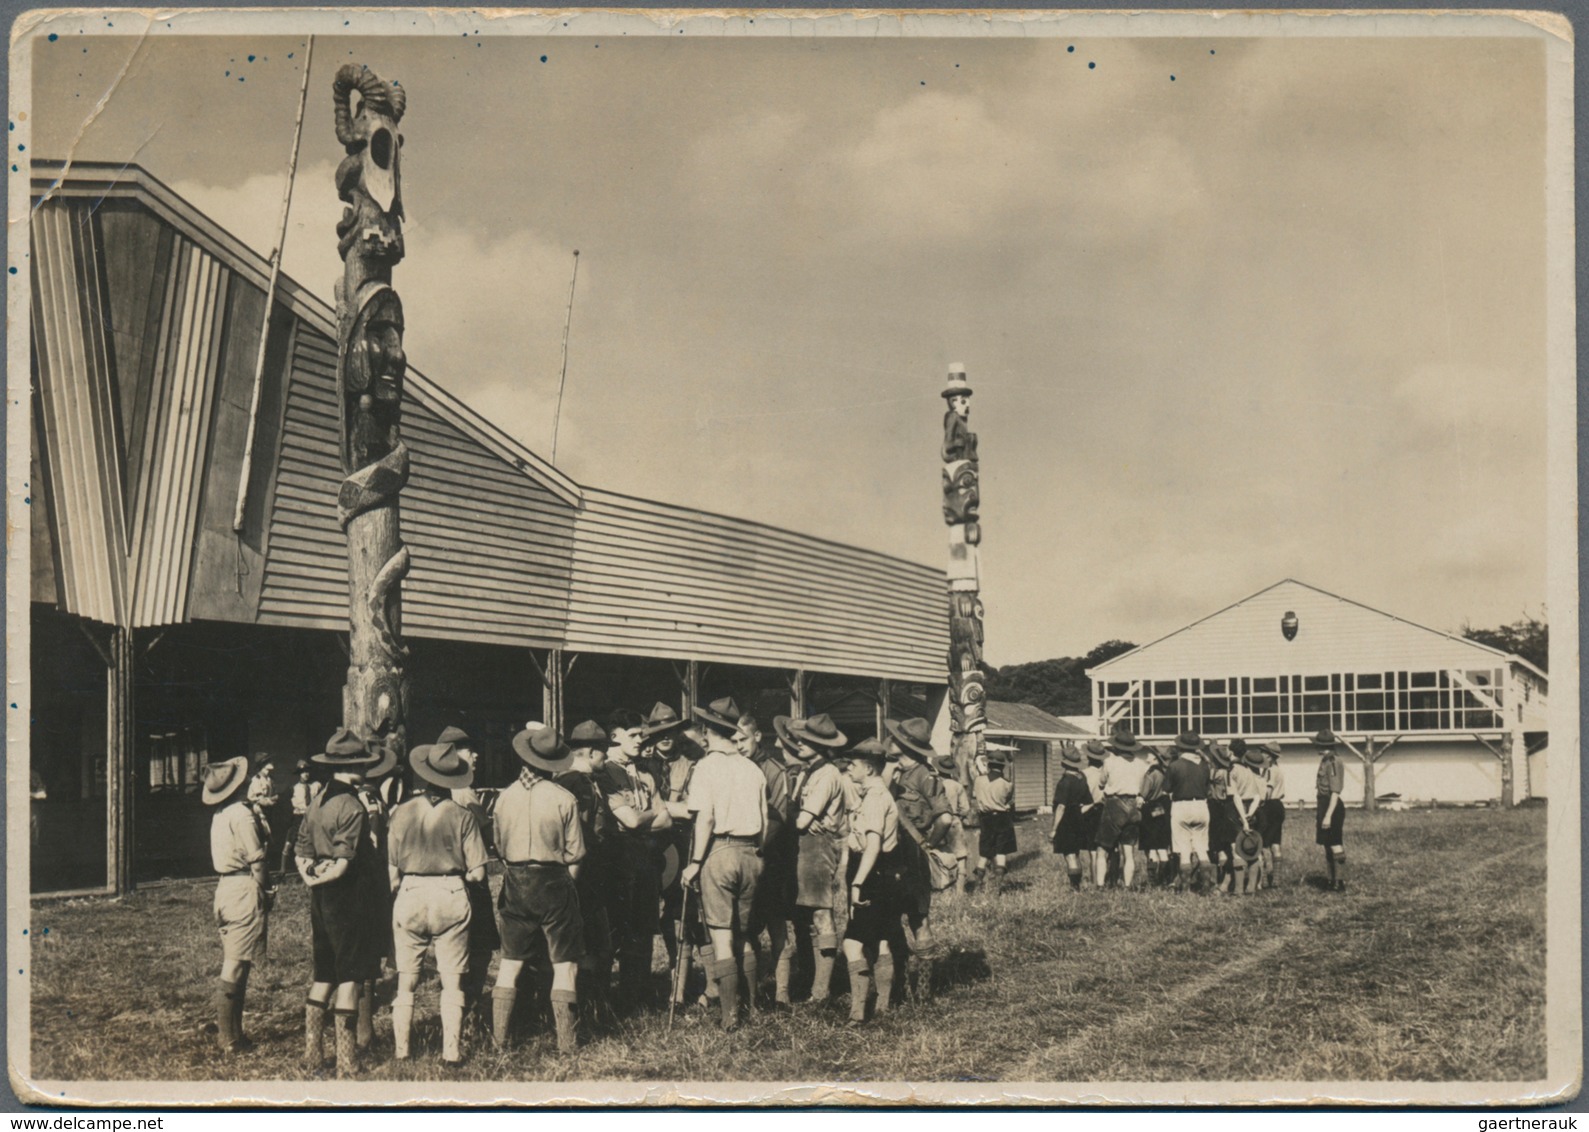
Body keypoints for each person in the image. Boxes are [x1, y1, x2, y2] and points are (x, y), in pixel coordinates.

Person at [386, 732, 489, 1064]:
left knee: (407, 980)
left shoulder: (400, 813)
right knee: (452, 979)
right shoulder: (462, 816)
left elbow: (391, 870)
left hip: (411, 891)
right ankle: (452, 1051)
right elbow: (478, 873)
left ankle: (402, 1050)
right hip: (450, 892)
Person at [295, 728, 385, 1077]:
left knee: (323, 973)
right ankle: (347, 1061)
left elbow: (303, 850)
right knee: (350, 976)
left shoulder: (316, 801)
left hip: (320, 898)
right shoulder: (353, 806)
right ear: (358, 766)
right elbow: (346, 861)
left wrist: (311, 879)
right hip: (350, 897)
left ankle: (312, 1055)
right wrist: (328, 876)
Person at [492, 726, 586, 1053]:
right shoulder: (564, 798)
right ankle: (567, 1044)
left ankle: (500, 1042)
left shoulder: (503, 798)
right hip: (554, 880)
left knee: (510, 962)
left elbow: (500, 847)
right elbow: (576, 853)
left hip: (516, 879)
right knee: (565, 963)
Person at [681, 697, 768, 1031]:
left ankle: (730, 1016)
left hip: (719, 851)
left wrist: (695, 862)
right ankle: (752, 1007)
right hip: (752, 853)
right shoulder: (752, 768)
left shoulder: (706, 767)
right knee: (744, 934)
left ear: (706, 732)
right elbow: (763, 820)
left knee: (721, 936)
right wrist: (757, 854)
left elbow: (705, 819)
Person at [602, 707, 673, 1010]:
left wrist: (646, 817)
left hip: (646, 860)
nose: (639, 741)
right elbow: (628, 821)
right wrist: (651, 815)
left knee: (644, 931)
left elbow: (665, 819)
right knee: (616, 932)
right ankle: (606, 999)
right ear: (614, 736)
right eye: (632, 735)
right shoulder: (605, 772)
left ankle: (636, 997)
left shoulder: (646, 771)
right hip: (616, 861)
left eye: (641, 736)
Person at [205, 756, 275, 1053]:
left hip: (224, 888)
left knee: (239, 962)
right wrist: (267, 890)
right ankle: (228, 1038)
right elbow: (257, 860)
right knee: (235, 965)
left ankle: (234, 1031)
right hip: (242, 888)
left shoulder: (220, 815)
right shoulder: (242, 815)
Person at [837, 738, 903, 1025]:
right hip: (885, 872)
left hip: (872, 873)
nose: (849, 767)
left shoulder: (875, 798)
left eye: (853, 763)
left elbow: (873, 845)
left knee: (853, 942)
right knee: (883, 939)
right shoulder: (875, 793)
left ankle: (858, 1012)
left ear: (869, 767)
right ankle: (884, 1007)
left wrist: (856, 884)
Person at [557, 720, 618, 1026]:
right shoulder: (579, 784)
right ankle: (594, 1010)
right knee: (595, 944)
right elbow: (579, 833)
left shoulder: (564, 780)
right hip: (585, 873)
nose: (606, 759)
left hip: (575, 872)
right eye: (603, 753)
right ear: (591, 752)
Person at [787, 713, 850, 1005]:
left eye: (807, 741)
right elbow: (797, 815)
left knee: (822, 914)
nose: (799, 743)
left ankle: (823, 989)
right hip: (802, 846)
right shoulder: (807, 770)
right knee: (804, 916)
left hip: (817, 847)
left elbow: (802, 821)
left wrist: (799, 818)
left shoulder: (827, 775)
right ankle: (810, 979)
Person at [442, 727, 500, 1030]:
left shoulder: (438, 790)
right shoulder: (464, 791)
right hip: (471, 879)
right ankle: (470, 1014)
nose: (475, 755)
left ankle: (457, 1012)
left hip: (442, 883)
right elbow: (488, 834)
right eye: (467, 750)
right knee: (478, 948)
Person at [884, 717, 950, 948]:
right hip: (890, 854)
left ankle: (923, 982)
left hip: (913, 856)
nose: (888, 740)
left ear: (904, 745)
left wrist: (928, 845)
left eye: (894, 737)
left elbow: (945, 818)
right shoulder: (894, 772)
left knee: (918, 919)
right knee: (889, 918)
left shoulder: (924, 775)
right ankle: (900, 977)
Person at [744, 713, 795, 1008]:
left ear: (757, 736)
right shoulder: (735, 768)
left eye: (744, 739)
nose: (739, 746)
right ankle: (750, 993)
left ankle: (782, 993)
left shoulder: (773, 770)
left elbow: (778, 819)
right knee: (747, 927)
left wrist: (758, 847)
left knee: (777, 927)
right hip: (745, 860)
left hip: (771, 858)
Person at [1095, 730, 1149, 889]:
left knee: (1102, 848)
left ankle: (1100, 885)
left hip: (1115, 804)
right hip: (1134, 805)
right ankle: (1127, 886)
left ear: (1116, 747)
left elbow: (1101, 783)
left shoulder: (1110, 762)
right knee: (1128, 850)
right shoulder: (1141, 764)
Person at [1163, 731, 1212, 892]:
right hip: (1201, 805)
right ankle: (1205, 887)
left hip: (1181, 806)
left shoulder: (1175, 765)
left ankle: (1185, 889)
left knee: (1184, 850)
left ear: (1180, 746)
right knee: (1202, 847)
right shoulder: (1205, 766)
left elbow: (1167, 788)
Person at [1048, 744, 1093, 890]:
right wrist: (1078, 813)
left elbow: (1061, 806)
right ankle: (1077, 884)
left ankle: (1075, 887)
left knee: (1069, 854)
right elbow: (1090, 802)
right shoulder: (1082, 778)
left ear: (1064, 763)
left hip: (1066, 820)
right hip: (1079, 818)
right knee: (1076, 853)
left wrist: (1054, 829)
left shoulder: (1065, 781)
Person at [971, 751, 1017, 892]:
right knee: (1001, 851)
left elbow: (974, 796)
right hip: (1002, 818)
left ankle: (978, 883)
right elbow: (1008, 800)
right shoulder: (1007, 783)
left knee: (984, 852)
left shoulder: (978, 780)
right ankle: (998, 886)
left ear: (989, 764)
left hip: (985, 818)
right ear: (1002, 766)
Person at [1228, 741, 1269, 895]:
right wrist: (1251, 813)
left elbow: (1235, 796)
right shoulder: (1249, 770)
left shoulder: (1232, 770)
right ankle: (1251, 887)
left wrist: (1243, 819)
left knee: (1237, 847)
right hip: (1252, 809)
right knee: (1252, 847)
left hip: (1237, 809)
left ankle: (1238, 889)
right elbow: (1257, 796)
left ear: (1231, 751)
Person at [1314, 729, 1347, 893]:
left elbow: (1335, 791)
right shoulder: (1325, 761)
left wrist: (1328, 815)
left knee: (1335, 843)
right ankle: (1330, 879)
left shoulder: (1333, 762)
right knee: (1327, 844)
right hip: (1323, 803)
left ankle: (1339, 882)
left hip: (1331, 805)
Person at [937, 755, 973, 894]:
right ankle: (959, 890)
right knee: (960, 855)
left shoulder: (934, 783)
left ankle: (944, 888)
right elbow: (965, 808)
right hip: (954, 821)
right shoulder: (957, 786)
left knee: (942, 855)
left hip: (938, 821)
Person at [1138, 745, 1174, 885]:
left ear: (1155, 759)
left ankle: (1153, 882)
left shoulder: (1151, 774)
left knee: (1152, 847)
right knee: (1163, 847)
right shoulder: (1164, 773)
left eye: (1149, 755)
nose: (1147, 756)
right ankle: (1165, 879)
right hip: (1164, 809)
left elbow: (1143, 794)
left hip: (1150, 809)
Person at [1258, 741, 1286, 888]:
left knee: (1264, 843)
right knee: (1276, 842)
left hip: (1269, 806)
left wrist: (1258, 803)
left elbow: (1267, 793)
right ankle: (1277, 879)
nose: (1261, 755)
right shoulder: (1278, 770)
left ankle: (1264, 877)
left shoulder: (1270, 771)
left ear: (1270, 757)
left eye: (1264, 752)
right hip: (1278, 806)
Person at [1081, 739, 1108, 886]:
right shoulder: (1107, 773)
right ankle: (1109, 879)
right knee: (1108, 849)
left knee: (1093, 850)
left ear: (1088, 757)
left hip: (1090, 810)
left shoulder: (1084, 774)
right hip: (1107, 810)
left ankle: (1094, 880)